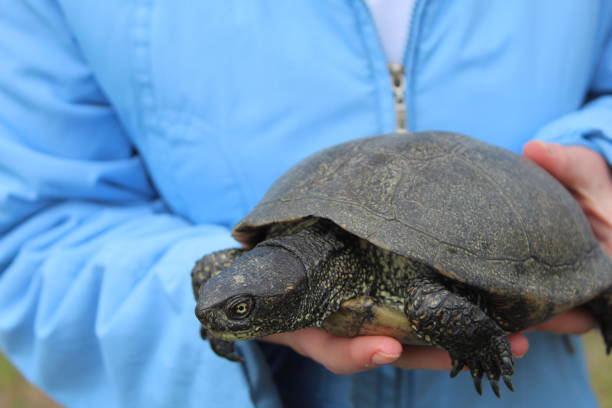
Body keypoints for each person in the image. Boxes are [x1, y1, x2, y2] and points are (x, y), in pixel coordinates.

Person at [0, 1, 610, 407]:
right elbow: (35, 226)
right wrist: (212, 311)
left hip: (527, 234)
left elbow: (436, 300)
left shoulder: (401, 286)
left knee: (434, 302)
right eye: (233, 307)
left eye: (240, 309)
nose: (219, 312)